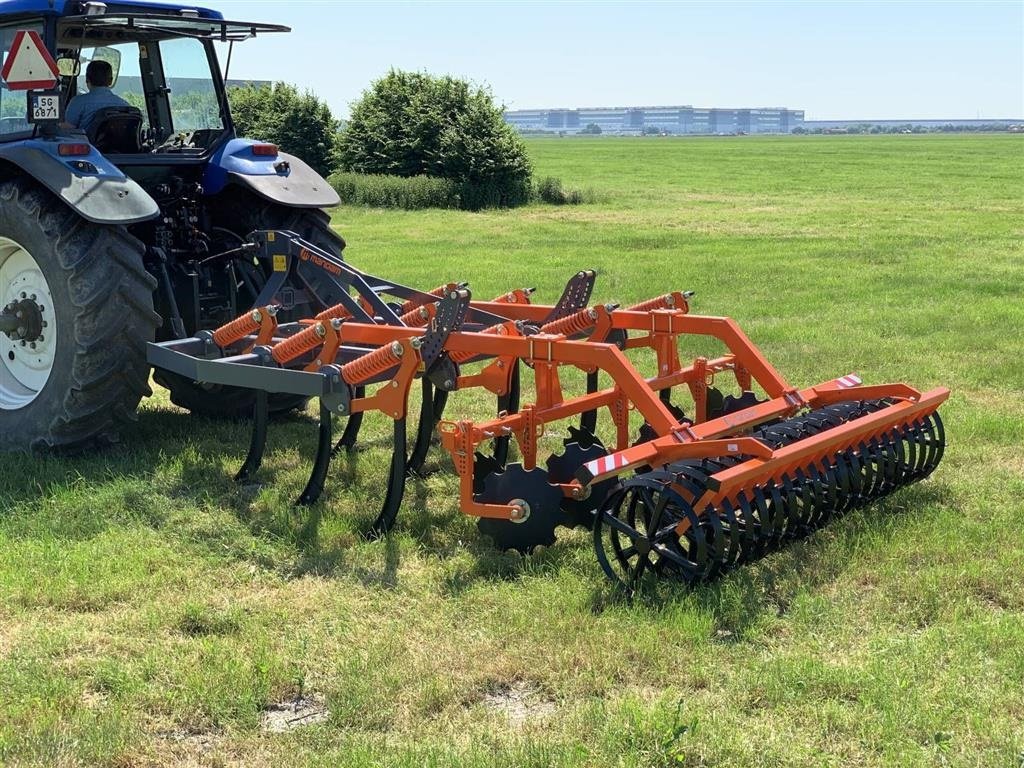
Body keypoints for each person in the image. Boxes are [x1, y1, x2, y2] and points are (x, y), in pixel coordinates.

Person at [64, 59, 131, 134]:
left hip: (90, 145)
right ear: (111, 81)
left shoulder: (78, 102)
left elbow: (67, 129)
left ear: (87, 79)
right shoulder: (125, 106)